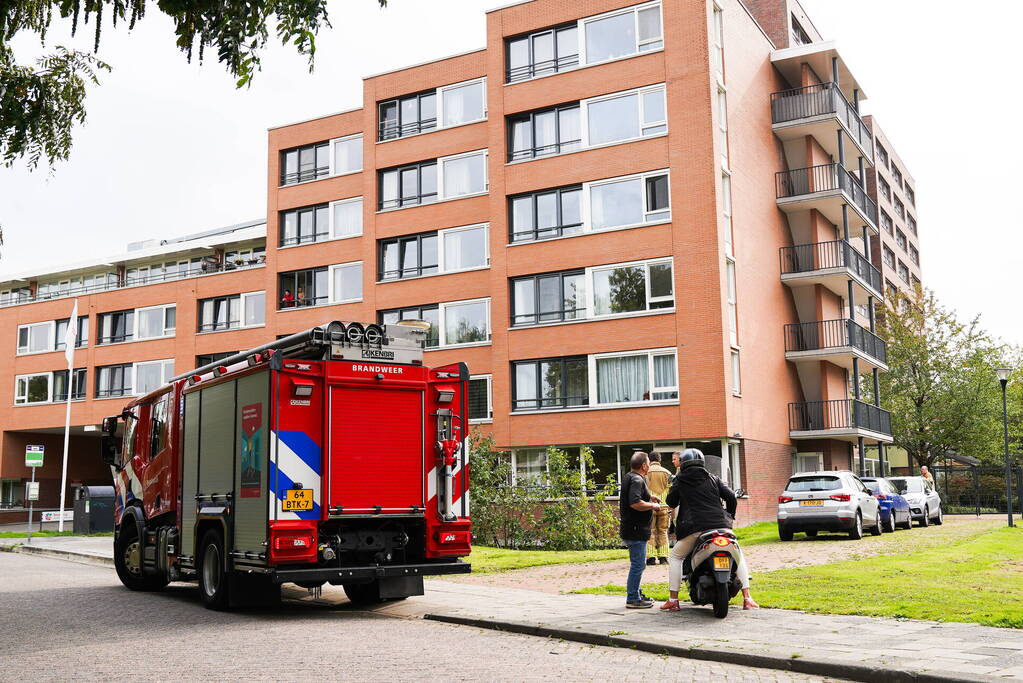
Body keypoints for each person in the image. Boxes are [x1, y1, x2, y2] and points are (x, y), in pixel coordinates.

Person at [660, 448, 759, 612]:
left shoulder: (680, 480)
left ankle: (673, 600)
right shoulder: (713, 478)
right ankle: (747, 598)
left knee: (676, 556)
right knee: (739, 556)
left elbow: (671, 502)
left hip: (695, 528)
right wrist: (729, 516)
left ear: (683, 464)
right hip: (721, 526)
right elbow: (731, 497)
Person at [619, 451, 660, 609]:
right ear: (644, 465)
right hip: (635, 530)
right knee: (638, 564)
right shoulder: (637, 479)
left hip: (632, 528)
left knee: (638, 564)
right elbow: (635, 503)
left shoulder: (630, 476)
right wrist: (653, 505)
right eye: (648, 462)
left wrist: (650, 497)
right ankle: (633, 598)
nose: (649, 464)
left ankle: (636, 592)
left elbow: (637, 496)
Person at [645, 452, 672, 565]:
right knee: (663, 531)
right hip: (664, 506)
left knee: (650, 531)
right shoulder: (668, 473)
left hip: (650, 506)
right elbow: (671, 490)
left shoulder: (646, 472)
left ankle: (651, 558)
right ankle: (663, 557)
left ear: (649, 460)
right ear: (659, 460)